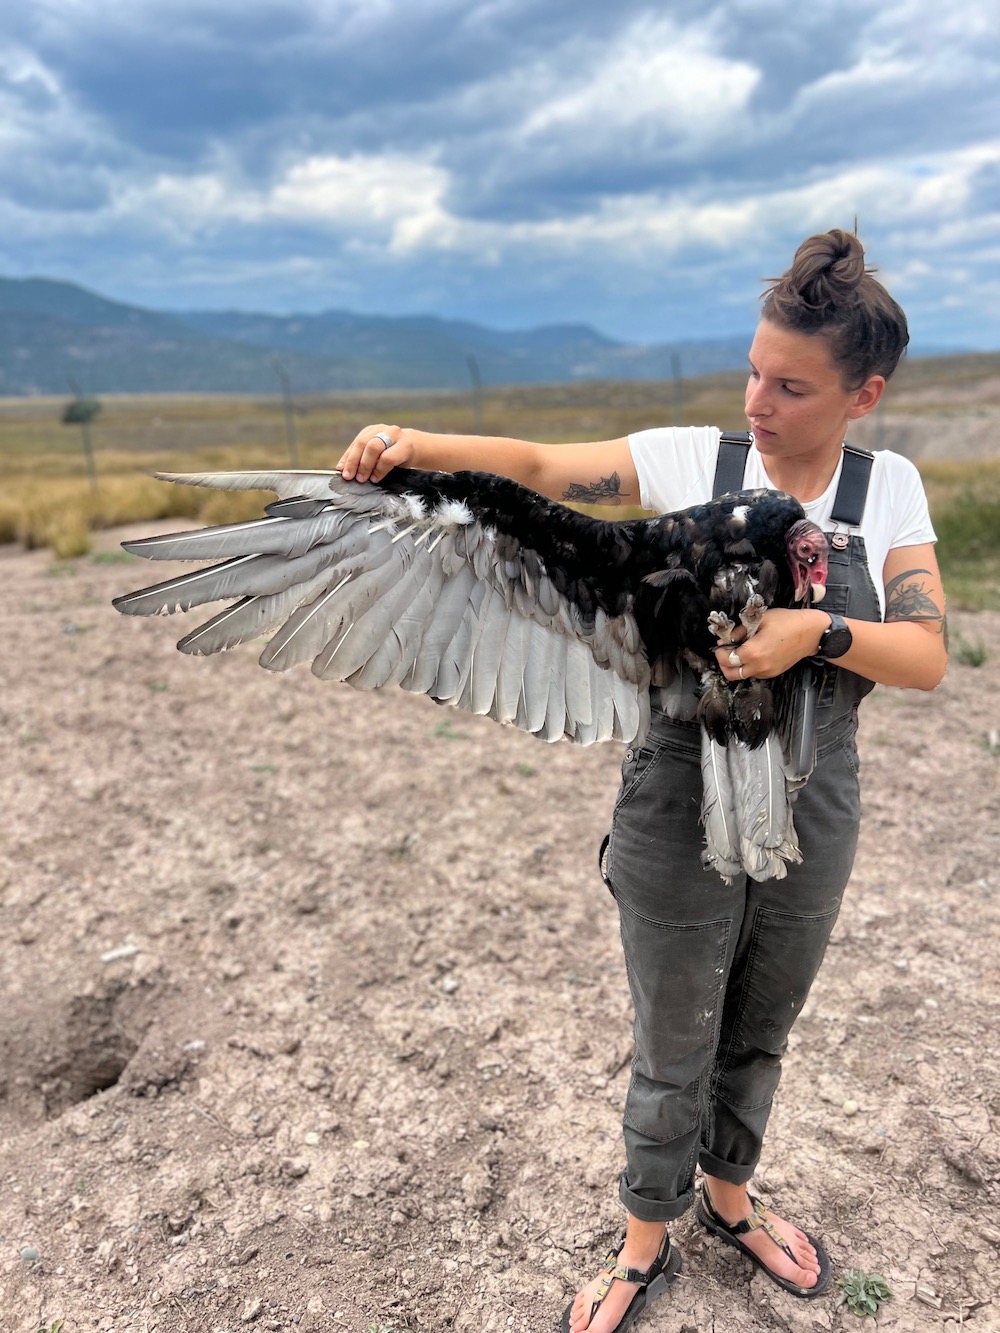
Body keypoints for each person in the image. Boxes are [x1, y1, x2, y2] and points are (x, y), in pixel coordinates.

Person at [336, 230, 947, 1333]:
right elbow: (534, 471)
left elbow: (925, 651)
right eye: (752, 372)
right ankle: (643, 1237)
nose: (758, 401)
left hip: (816, 792)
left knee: (766, 1014)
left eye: (791, 386)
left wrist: (813, 630)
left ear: (863, 395)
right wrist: (409, 441)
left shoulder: (887, 488)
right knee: (676, 1025)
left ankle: (730, 1197)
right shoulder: (691, 463)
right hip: (678, 785)